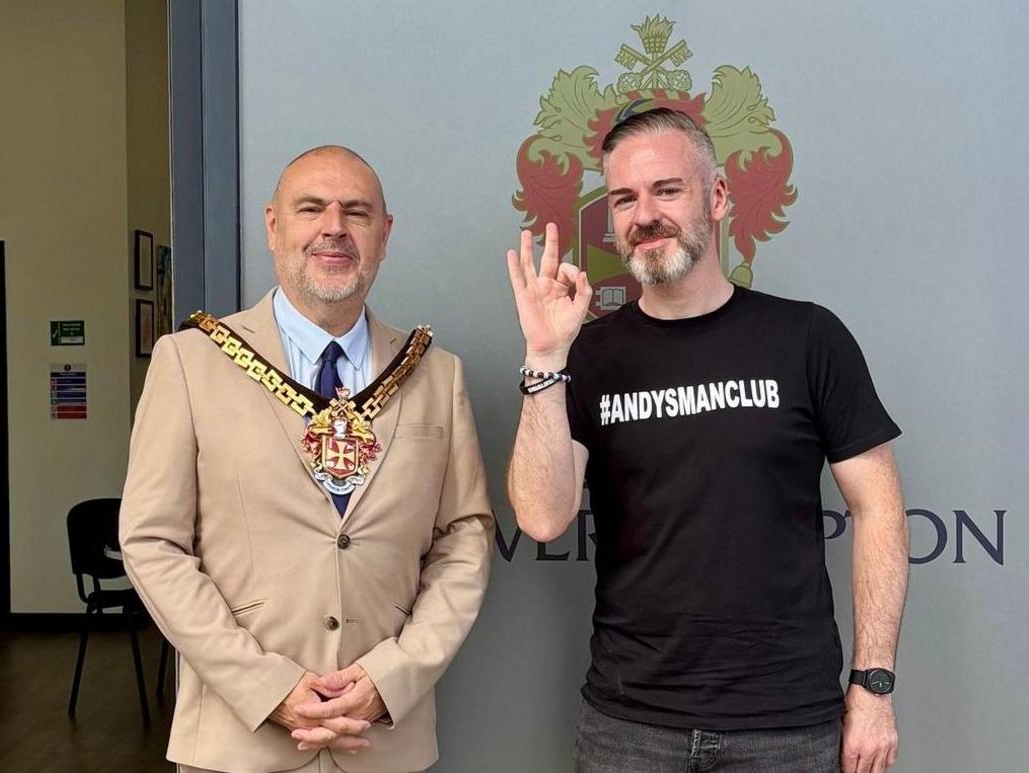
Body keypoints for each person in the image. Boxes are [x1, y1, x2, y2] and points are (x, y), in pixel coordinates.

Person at [505, 108, 908, 773]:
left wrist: (873, 686)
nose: (645, 214)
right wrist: (546, 354)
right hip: (629, 725)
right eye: (624, 198)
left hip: (788, 725)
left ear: (718, 196)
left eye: (667, 190)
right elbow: (543, 516)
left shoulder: (809, 339)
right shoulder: (591, 356)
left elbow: (880, 506)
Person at [121, 145, 493, 773]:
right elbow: (153, 543)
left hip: (384, 744)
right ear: (273, 226)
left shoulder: (436, 375)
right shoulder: (190, 362)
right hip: (239, 746)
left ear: (384, 235)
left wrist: (391, 679)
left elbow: (465, 539)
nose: (334, 228)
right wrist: (267, 688)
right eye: (311, 208)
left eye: (357, 213)